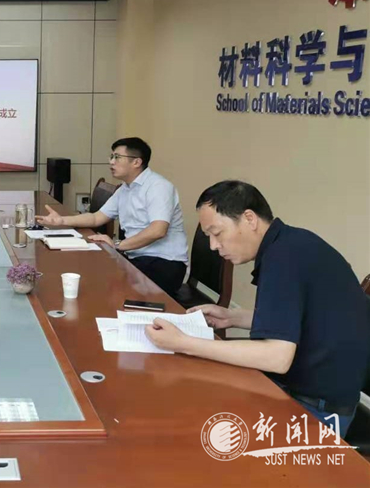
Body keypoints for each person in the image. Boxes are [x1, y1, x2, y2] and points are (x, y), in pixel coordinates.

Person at [146, 180, 370, 436]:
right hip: (306, 386)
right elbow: (301, 319)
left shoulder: (283, 259)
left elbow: (277, 357)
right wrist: (233, 317)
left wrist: (183, 343)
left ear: (249, 219)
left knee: (199, 422)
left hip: (316, 408)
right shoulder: (290, 244)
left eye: (217, 233)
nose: (213, 245)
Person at [37, 137, 189, 296]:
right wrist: (61, 220)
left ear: (136, 162)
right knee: (90, 278)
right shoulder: (125, 189)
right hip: (136, 258)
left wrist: (117, 245)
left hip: (164, 263)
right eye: (111, 156)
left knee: (102, 287)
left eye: (117, 157)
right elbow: (97, 218)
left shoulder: (158, 187)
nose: (111, 162)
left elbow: (158, 230)